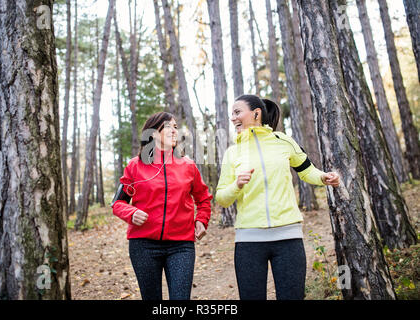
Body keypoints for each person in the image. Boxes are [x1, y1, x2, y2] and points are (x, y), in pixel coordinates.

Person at [216, 94, 340, 300]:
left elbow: (307, 170)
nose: (232, 118)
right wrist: (236, 185)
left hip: (288, 237)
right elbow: (222, 198)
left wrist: (324, 177)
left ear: (256, 113)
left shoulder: (283, 141)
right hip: (249, 240)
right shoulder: (232, 152)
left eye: (237, 112)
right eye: (232, 114)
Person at [112, 112, 213, 300]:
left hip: (181, 245)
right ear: (153, 133)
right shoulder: (135, 166)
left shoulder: (188, 166)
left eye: (176, 127)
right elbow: (118, 203)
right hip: (143, 245)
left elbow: (204, 199)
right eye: (168, 127)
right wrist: (131, 212)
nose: (174, 131)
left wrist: (201, 220)